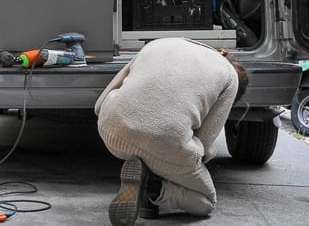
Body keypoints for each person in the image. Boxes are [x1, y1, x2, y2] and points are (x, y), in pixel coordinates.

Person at [94, 37, 249, 225]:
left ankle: (146, 169)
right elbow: (205, 142)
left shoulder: (159, 43)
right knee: (206, 203)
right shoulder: (229, 78)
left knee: (162, 151)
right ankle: (154, 189)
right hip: (168, 148)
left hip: (112, 132)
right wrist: (199, 157)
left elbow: (99, 104)